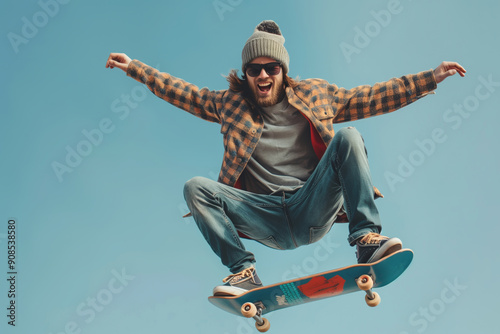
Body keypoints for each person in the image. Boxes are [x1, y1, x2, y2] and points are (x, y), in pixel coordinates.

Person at [106, 20, 466, 297]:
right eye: (254, 70)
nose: (262, 76)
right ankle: (243, 273)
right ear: (245, 75)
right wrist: (136, 68)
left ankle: (367, 241)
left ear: (283, 70)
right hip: (263, 214)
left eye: (271, 68)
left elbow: (372, 97)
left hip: (312, 205)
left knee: (349, 136)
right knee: (195, 188)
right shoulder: (229, 105)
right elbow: (184, 93)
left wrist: (428, 79)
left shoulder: (316, 94)